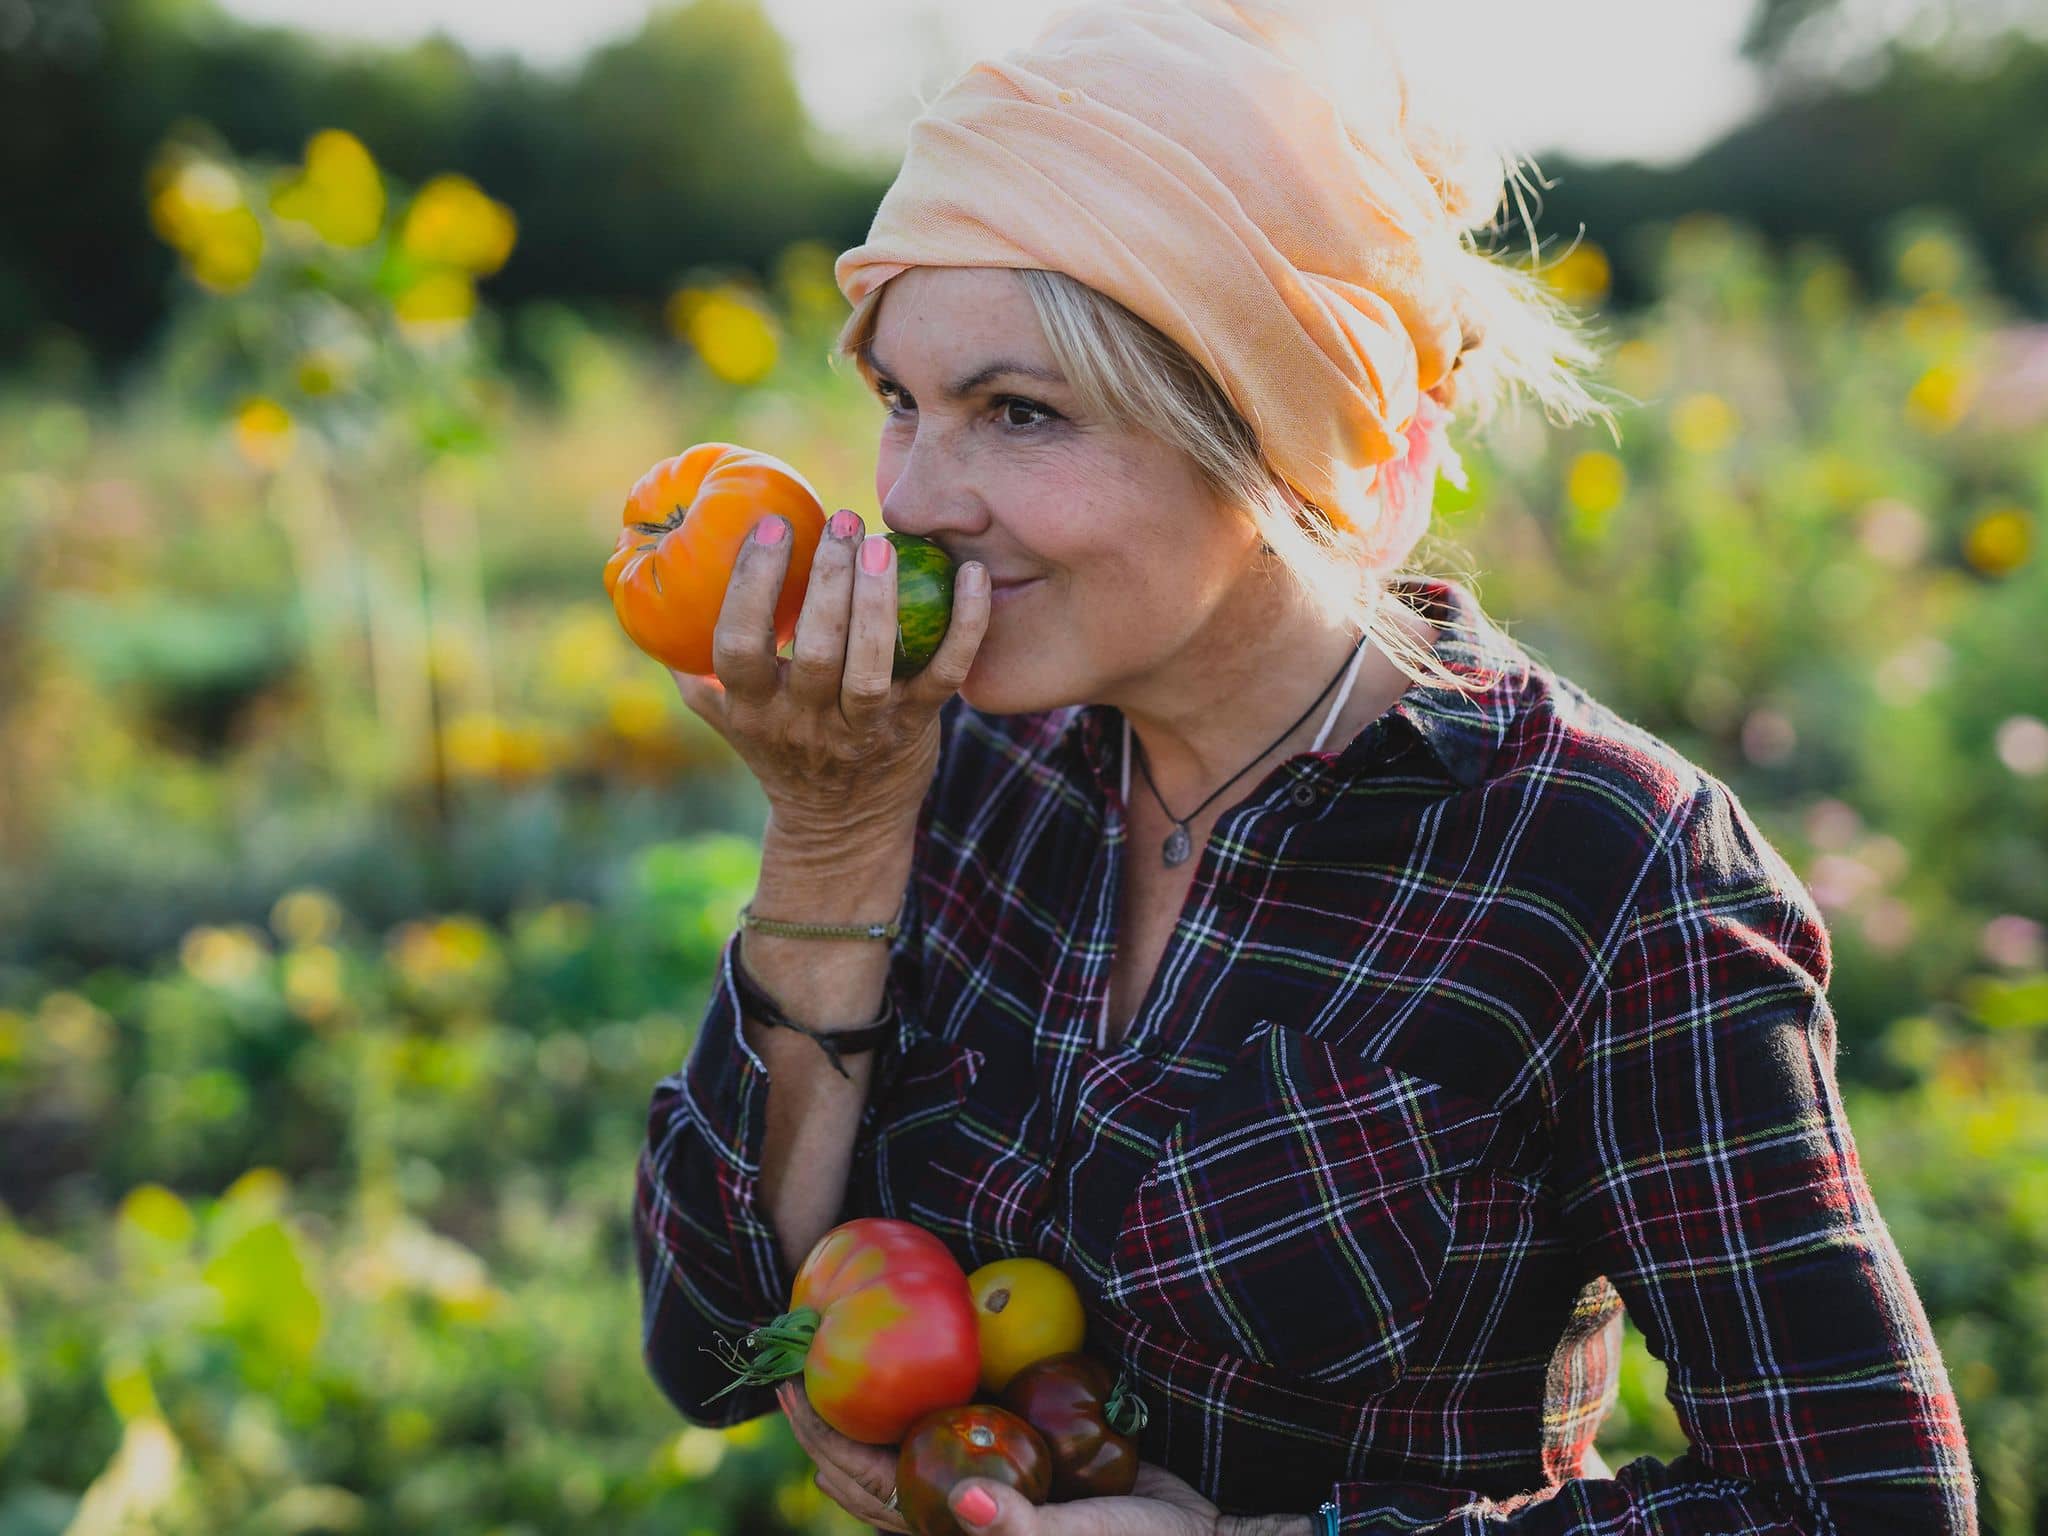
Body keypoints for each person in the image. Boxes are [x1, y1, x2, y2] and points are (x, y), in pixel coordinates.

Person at [634, 2, 1979, 1532]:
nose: (916, 498)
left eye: (1019, 413)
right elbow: (712, 1348)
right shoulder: (947, 761)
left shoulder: (1604, 866)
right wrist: (831, 830)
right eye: (898, 401)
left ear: (1273, 438)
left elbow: (1864, 1503)